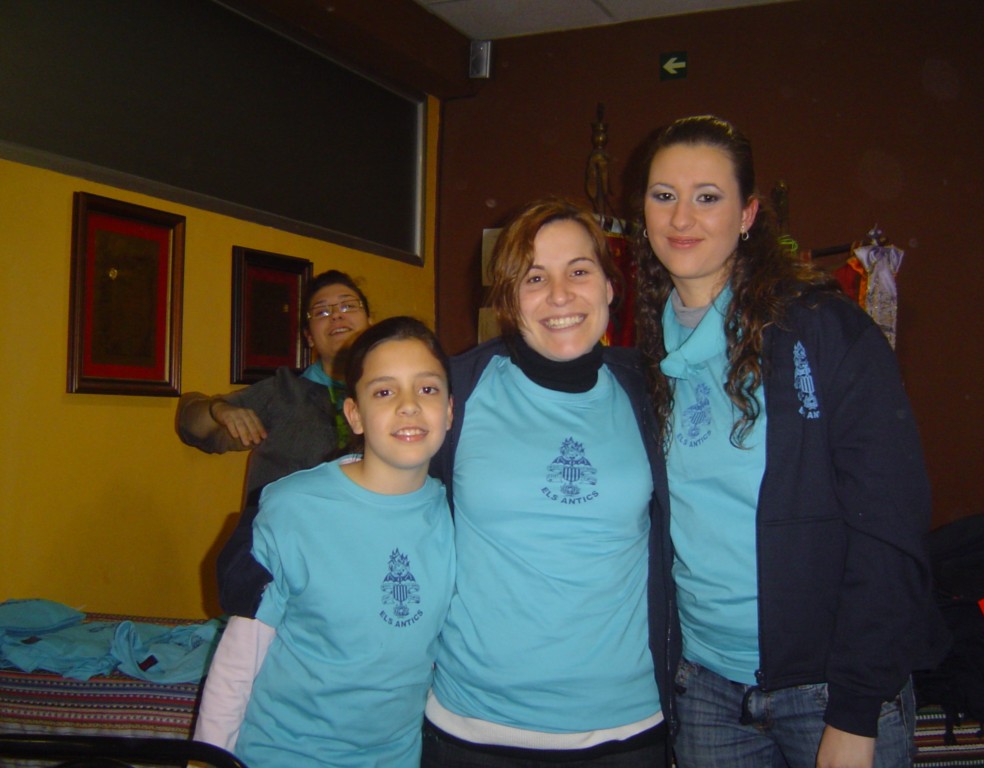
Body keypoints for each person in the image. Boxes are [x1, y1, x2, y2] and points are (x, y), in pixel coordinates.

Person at [632, 114, 948, 768]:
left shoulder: (824, 330)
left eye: (707, 196)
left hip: (830, 688)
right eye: (664, 195)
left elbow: (890, 523)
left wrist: (856, 710)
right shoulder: (645, 352)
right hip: (706, 689)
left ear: (748, 214)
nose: (682, 217)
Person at [420, 197, 679, 766]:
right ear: (508, 299)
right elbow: (366, 488)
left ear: (610, 287)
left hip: (629, 730)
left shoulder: (653, 392)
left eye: (579, 272)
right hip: (474, 729)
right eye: (535, 278)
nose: (560, 296)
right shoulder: (456, 390)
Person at [192, 316, 456, 768]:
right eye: (385, 392)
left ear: (449, 410)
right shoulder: (293, 508)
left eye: (427, 389)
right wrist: (207, 761)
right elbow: (239, 659)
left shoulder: (457, 515)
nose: (409, 406)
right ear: (354, 414)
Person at [175, 269, 371, 615]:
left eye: (347, 306)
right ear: (309, 337)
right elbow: (191, 423)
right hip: (282, 563)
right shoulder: (282, 392)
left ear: (370, 322)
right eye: (322, 311)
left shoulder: (390, 392)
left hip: (365, 557)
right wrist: (220, 409)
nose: (336, 316)